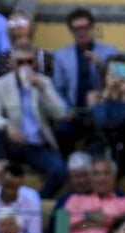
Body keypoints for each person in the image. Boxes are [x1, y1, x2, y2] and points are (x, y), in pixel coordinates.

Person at [0, 42, 69, 198]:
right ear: (11, 64)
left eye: (29, 61)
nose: (25, 65)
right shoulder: (0, 84)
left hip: (36, 144)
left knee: (59, 170)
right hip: (13, 142)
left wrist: (43, 89)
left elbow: (61, 113)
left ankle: (37, 201)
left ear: (35, 63)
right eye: (20, 62)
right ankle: (0, 186)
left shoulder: (44, 82)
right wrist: (7, 126)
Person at [52, 8, 118, 152]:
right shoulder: (61, 55)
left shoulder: (110, 51)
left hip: (102, 109)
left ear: (92, 28)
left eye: (85, 28)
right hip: (74, 112)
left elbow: (119, 83)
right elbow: (58, 89)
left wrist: (102, 66)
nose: (82, 32)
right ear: (71, 31)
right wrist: (66, 109)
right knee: (62, 130)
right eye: (77, 29)